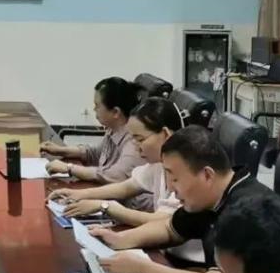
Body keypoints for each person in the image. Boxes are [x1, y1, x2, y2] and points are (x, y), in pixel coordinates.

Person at [89, 125, 269, 273]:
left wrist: (142, 268)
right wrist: (119, 239)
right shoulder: (211, 195)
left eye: (175, 179)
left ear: (207, 175)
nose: (170, 188)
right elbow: (169, 228)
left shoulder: (247, 211)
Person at [48, 96, 182, 225]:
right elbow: (126, 187)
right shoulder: (158, 165)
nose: (136, 147)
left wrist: (105, 206)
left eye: (140, 139)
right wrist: (78, 194)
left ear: (166, 134)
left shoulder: (185, 171)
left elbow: (162, 221)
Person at [41, 76, 144, 185]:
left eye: (97, 105)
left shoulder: (133, 141)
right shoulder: (113, 129)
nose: (94, 109)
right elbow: (95, 154)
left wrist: (69, 168)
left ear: (115, 112)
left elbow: (116, 176)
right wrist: (60, 150)